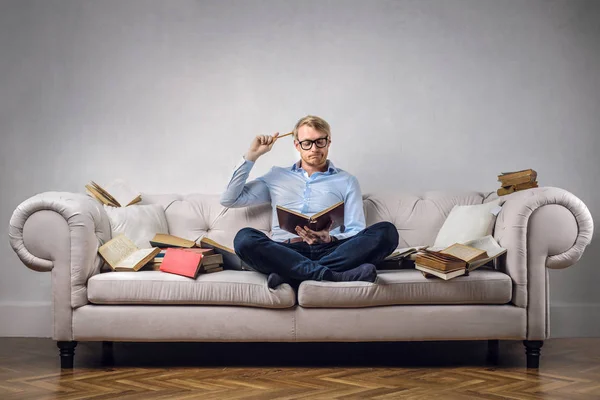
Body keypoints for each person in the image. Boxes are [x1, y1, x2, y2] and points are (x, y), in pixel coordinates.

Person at [220, 115, 399, 288]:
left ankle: (290, 275)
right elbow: (229, 199)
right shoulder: (276, 176)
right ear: (297, 145)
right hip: (285, 251)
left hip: (332, 250)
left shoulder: (347, 181)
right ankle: (332, 276)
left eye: (320, 141)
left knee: (387, 232)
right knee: (244, 238)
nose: (314, 149)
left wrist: (330, 238)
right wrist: (253, 155)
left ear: (328, 142)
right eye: (307, 143)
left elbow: (356, 231)